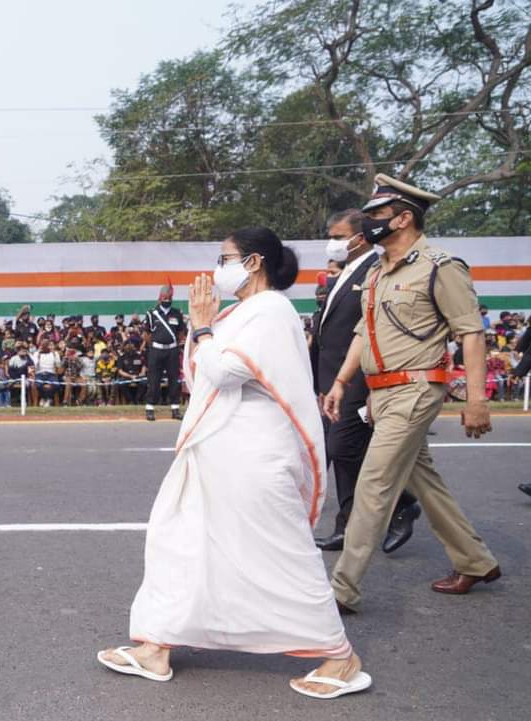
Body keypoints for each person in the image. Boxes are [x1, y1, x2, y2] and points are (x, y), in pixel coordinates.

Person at [98, 227, 368, 700]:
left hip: (254, 454)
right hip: (217, 449)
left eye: (225, 257)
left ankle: (340, 656)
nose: (216, 267)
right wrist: (200, 329)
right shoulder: (241, 313)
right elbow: (198, 373)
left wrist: (202, 327)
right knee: (182, 540)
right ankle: (155, 647)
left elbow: (223, 370)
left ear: (255, 262)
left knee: (281, 552)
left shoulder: (271, 311)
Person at [324, 174, 501, 612]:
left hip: (416, 389)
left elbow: (471, 334)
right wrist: (342, 382)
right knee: (421, 480)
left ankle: (340, 592)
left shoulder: (441, 266)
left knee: (373, 484)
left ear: (403, 218)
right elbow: (364, 333)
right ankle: (476, 561)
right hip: (381, 394)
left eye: (377, 217)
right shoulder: (379, 269)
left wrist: (477, 400)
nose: (368, 225)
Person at [313, 209, 421, 553]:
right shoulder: (345, 272)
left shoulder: (374, 271)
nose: (332, 242)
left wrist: (353, 382)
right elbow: (327, 332)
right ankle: (347, 525)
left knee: (342, 448)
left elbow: (371, 333)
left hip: (356, 380)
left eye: (338, 235)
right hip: (331, 380)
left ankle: (401, 504)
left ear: (360, 238)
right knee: (341, 455)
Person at [143, 285, 185, 421]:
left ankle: (175, 409)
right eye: (165, 297)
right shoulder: (151, 314)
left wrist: (171, 344)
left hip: (172, 350)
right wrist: (156, 345)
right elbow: (146, 334)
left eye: (170, 297)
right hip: (156, 351)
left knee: (174, 380)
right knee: (154, 380)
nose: (168, 299)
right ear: (160, 298)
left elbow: (180, 333)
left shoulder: (177, 313)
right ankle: (150, 408)